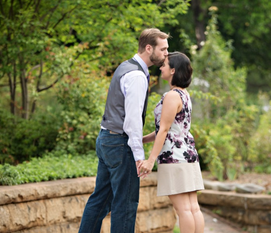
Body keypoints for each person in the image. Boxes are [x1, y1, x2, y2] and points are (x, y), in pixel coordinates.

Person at [78, 28, 169, 233]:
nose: (166, 54)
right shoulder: (137, 75)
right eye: (163, 49)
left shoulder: (125, 66)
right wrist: (139, 156)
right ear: (149, 48)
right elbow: (132, 121)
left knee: (99, 201)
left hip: (106, 139)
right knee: (125, 205)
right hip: (120, 144)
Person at [138, 52, 205, 233]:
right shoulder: (184, 95)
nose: (161, 67)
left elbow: (165, 130)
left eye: (164, 65)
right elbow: (171, 128)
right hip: (188, 154)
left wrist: (150, 160)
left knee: (183, 210)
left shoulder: (171, 96)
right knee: (193, 207)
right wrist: (144, 139)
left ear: (173, 70)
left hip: (174, 157)